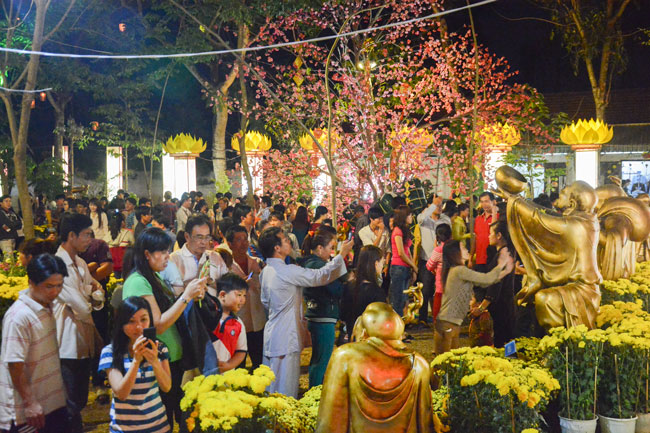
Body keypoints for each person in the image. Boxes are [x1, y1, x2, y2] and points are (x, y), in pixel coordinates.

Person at [121, 228, 206, 429]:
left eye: (168, 251)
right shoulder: (138, 282)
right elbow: (157, 325)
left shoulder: (152, 276)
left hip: (169, 358)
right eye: (163, 252)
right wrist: (186, 296)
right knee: (162, 420)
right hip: (154, 361)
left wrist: (191, 297)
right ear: (147, 254)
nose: (168, 256)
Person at [259, 227, 353, 398]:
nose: (289, 241)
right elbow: (320, 276)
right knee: (285, 386)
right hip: (286, 334)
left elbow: (265, 302)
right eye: (285, 240)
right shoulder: (286, 271)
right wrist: (342, 255)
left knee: (272, 383)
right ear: (277, 248)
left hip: (274, 330)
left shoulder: (266, 271)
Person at [0, 254, 69, 433]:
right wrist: (30, 402)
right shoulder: (19, 317)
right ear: (31, 282)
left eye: (59, 285)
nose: (55, 292)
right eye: (49, 286)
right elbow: (14, 363)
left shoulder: (48, 306)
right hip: (27, 412)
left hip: (50, 404)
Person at [54, 213, 103, 433]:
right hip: (67, 344)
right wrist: (89, 295)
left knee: (80, 398)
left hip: (83, 341)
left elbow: (97, 294)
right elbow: (83, 306)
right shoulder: (58, 265)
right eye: (86, 234)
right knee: (70, 402)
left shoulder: (80, 262)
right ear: (71, 235)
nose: (90, 239)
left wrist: (90, 295)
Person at [98, 296, 171, 433]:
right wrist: (136, 361)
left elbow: (166, 387)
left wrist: (155, 362)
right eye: (131, 321)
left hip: (158, 426)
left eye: (144, 319)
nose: (139, 327)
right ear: (121, 324)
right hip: (124, 429)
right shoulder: (110, 352)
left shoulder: (159, 348)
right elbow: (121, 394)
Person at [434, 240, 510, 355]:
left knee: (450, 360)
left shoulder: (455, 270)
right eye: (463, 248)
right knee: (447, 361)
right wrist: (503, 266)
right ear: (455, 253)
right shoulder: (459, 270)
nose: (467, 250)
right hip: (448, 323)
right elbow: (487, 279)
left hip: (450, 322)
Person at [301, 226, 347, 387]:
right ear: (320, 248)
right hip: (323, 315)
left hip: (318, 314)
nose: (332, 252)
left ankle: (315, 390)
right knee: (321, 361)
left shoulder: (313, 263)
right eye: (330, 248)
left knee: (318, 359)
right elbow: (334, 288)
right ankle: (315, 392)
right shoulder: (317, 265)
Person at [470, 220, 517, 348]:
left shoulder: (503, 255)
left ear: (499, 235)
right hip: (506, 304)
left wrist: (481, 308)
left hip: (502, 307)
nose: (488, 236)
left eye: (491, 233)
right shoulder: (507, 252)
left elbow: (495, 286)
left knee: (503, 342)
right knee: (508, 342)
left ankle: (508, 359)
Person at [224, 225, 265, 370]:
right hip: (237, 320)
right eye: (239, 240)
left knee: (259, 363)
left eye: (245, 239)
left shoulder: (255, 262)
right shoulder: (226, 266)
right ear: (230, 244)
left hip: (257, 320)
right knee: (238, 365)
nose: (244, 243)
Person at [168, 214, 228, 297]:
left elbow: (226, 283)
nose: (203, 242)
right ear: (187, 237)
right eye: (199, 237)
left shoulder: (215, 257)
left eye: (207, 237)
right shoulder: (174, 259)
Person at [341, 245, 386, 341]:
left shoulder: (348, 286)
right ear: (376, 264)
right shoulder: (377, 292)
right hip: (369, 342)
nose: (383, 266)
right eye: (382, 263)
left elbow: (343, 314)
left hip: (352, 338)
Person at [212, 273, 249, 372]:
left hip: (226, 376)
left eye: (244, 295)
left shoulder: (238, 323)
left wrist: (228, 365)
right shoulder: (207, 317)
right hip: (201, 376)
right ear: (223, 295)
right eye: (239, 295)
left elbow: (241, 351)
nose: (242, 300)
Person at [389, 206, 417, 315]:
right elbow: (401, 253)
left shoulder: (404, 230)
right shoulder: (397, 231)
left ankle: (401, 322)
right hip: (398, 267)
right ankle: (397, 323)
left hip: (405, 267)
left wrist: (412, 266)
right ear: (404, 216)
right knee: (398, 300)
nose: (411, 217)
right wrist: (413, 266)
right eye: (409, 215)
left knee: (403, 298)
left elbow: (408, 251)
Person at [426, 224, 452, 322]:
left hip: (441, 289)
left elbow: (429, 266)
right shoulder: (456, 249)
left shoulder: (438, 250)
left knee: (438, 317)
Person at [471, 192, 498, 271]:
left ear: (494, 202)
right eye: (482, 202)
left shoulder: (498, 217)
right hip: (479, 259)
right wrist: (470, 258)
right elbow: (475, 239)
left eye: (486, 201)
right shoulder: (478, 219)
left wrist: (494, 213)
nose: (484, 204)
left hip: (494, 259)